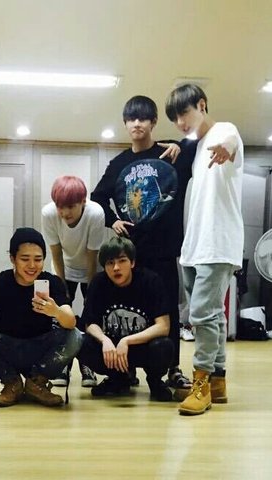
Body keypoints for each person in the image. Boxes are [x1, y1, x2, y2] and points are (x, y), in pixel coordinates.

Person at [91, 95, 195, 398]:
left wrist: (180, 145)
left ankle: (172, 368)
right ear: (125, 124)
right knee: (131, 310)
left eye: (143, 118)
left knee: (167, 311)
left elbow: (198, 139)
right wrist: (113, 220)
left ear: (153, 122)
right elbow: (98, 197)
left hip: (164, 250)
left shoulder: (170, 153)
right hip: (131, 253)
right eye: (132, 119)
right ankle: (126, 370)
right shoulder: (119, 164)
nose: (137, 124)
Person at [165, 84, 244, 415]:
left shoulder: (224, 131)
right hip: (196, 245)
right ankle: (218, 381)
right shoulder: (195, 149)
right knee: (213, 316)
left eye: (184, 113)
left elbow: (232, 139)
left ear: (202, 105)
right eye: (175, 119)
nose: (181, 123)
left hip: (217, 242)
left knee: (200, 315)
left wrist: (227, 148)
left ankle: (201, 385)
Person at [0, 228, 83, 408]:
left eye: (38, 259)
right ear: (12, 259)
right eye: (25, 259)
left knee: (75, 336)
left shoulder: (52, 282)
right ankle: (11, 382)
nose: (32, 265)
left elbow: (70, 322)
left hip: (41, 349)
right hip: (7, 348)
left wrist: (55, 312)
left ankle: (36, 383)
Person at [78, 236, 174, 401]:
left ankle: (155, 381)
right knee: (82, 343)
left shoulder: (150, 281)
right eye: (110, 263)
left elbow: (163, 326)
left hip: (142, 346)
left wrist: (127, 341)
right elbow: (90, 323)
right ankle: (118, 380)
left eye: (122, 261)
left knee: (164, 346)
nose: (116, 268)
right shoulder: (98, 283)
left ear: (132, 262)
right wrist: (105, 340)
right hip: (113, 350)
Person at [42, 175, 105, 387]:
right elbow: (56, 253)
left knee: (90, 317)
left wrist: (91, 293)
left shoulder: (95, 213)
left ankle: (87, 365)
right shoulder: (49, 213)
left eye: (70, 206)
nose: (64, 212)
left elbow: (92, 256)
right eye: (60, 206)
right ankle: (63, 364)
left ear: (83, 202)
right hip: (64, 267)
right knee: (62, 316)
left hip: (91, 267)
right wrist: (62, 292)